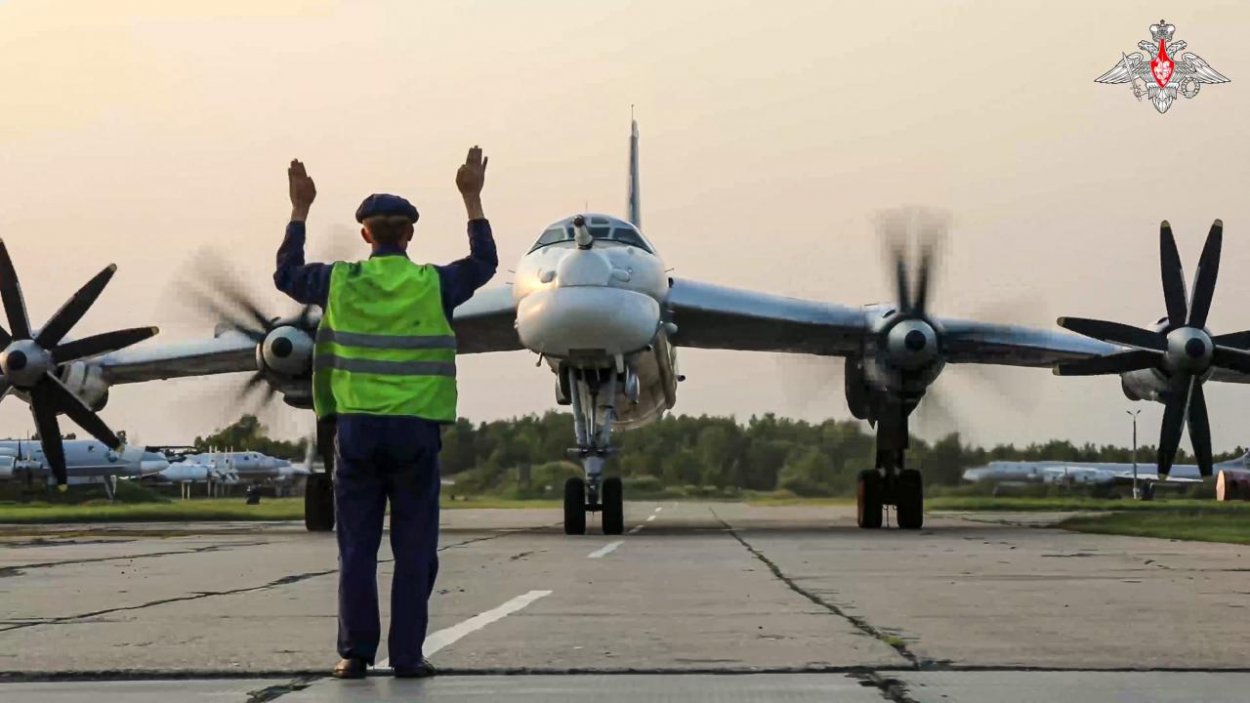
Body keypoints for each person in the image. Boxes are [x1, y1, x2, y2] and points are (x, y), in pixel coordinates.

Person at [274, 147, 497, 679]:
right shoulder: (433, 284)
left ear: (366, 235)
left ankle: (354, 655)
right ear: (409, 236)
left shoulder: (339, 282)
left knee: (357, 549)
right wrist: (472, 197)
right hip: (416, 436)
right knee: (414, 549)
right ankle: (406, 657)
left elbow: (286, 274)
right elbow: (485, 264)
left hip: (355, 432)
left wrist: (299, 210)